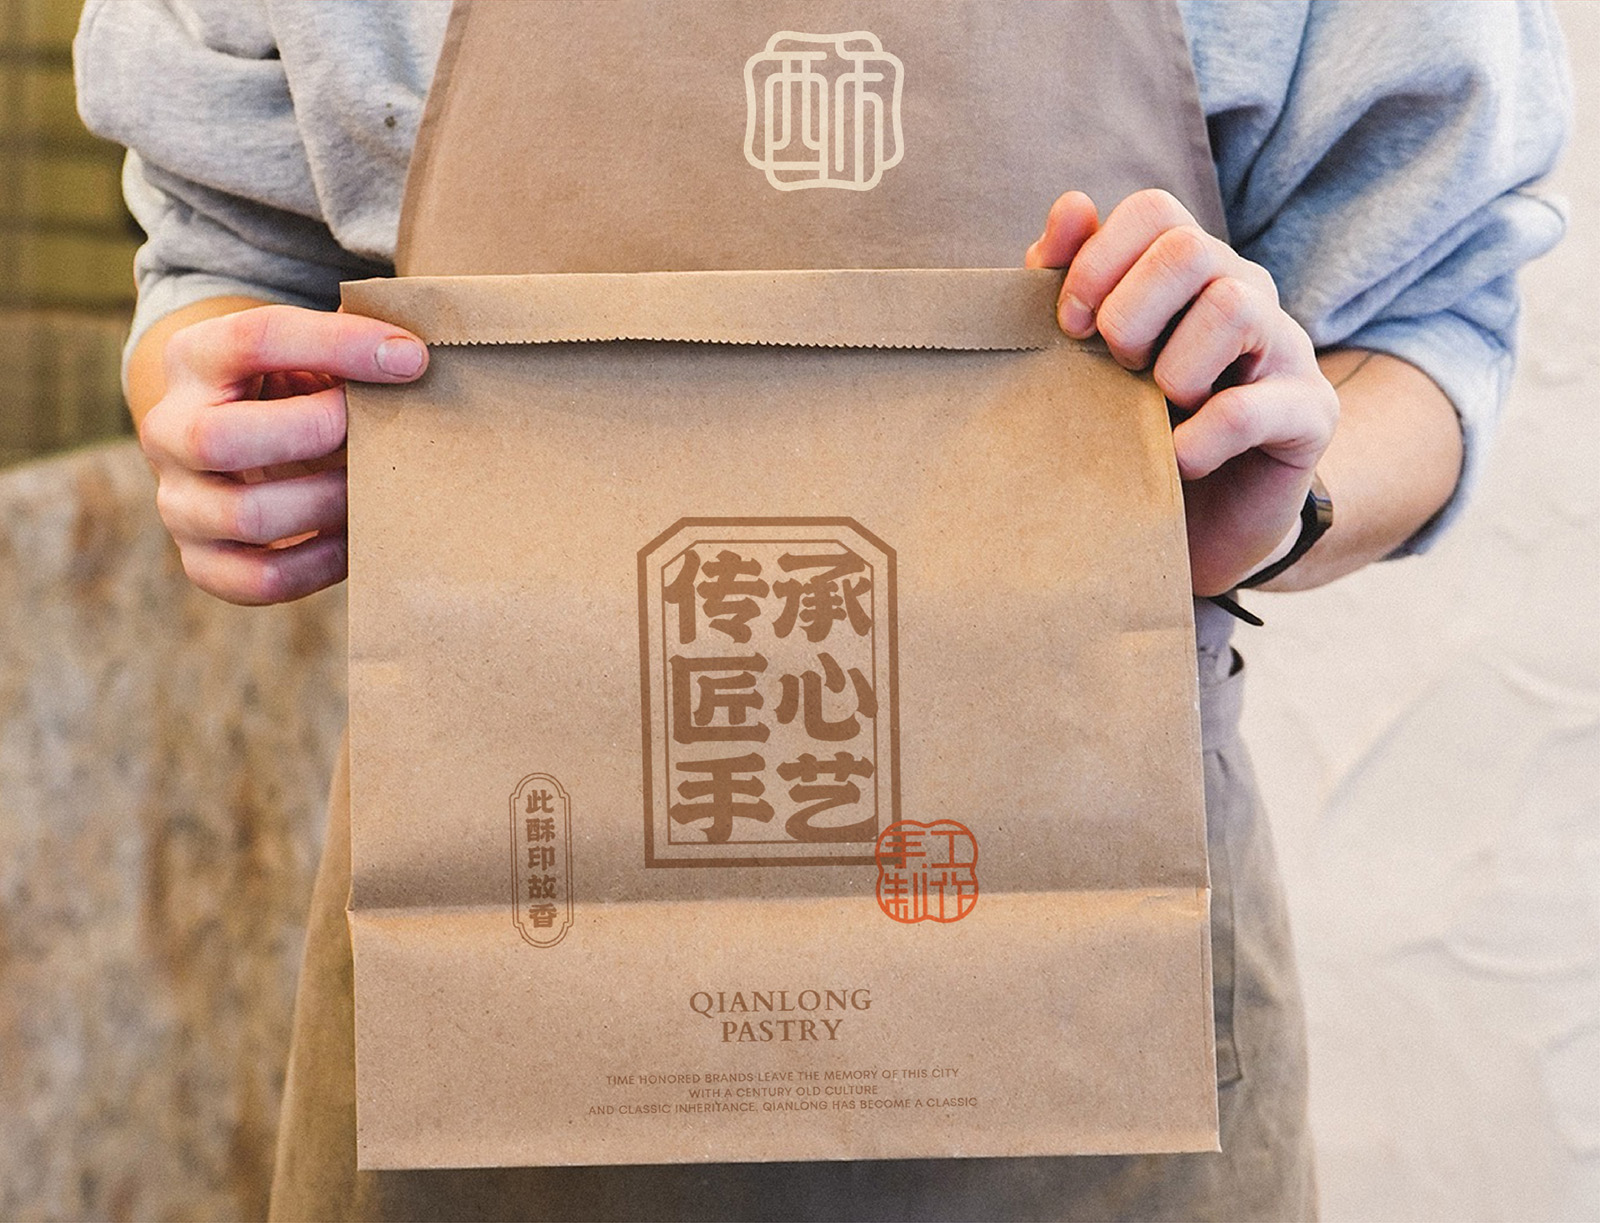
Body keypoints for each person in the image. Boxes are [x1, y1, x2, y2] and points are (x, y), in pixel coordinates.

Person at [76, 1, 1569, 1219]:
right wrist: (210, 394)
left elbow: (1424, 326)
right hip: (489, 984)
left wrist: (1289, 491)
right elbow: (223, 254)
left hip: (1090, 1030)